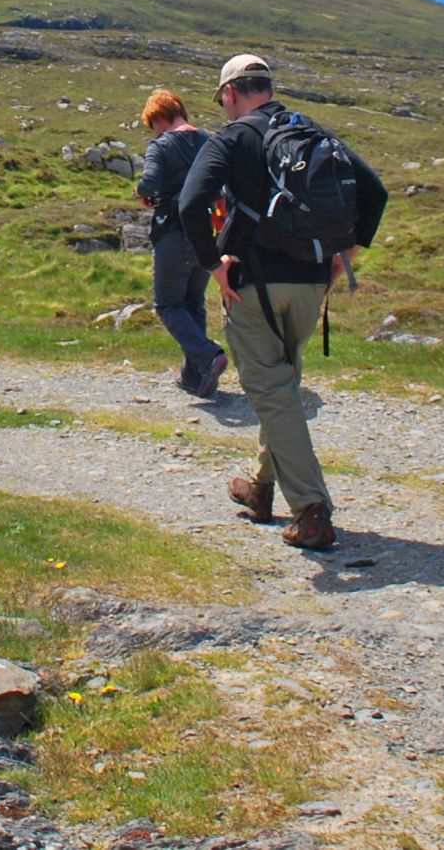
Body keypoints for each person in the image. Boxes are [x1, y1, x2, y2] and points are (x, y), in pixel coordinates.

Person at [178, 52, 388, 552]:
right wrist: (343, 257)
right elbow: (375, 193)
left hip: (254, 284)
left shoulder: (233, 137)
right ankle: (260, 487)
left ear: (231, 93)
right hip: (313, 282)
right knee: (284, 385)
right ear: (267, 88)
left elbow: (190, 204)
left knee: (272, 391)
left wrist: (215, 265)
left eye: (223, 100)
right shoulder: (311, 132)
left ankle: (312, 511)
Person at [138, 90, 228, 397]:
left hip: (174, 231)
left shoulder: (161, 145)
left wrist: (143, 194)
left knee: (167, 304)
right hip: (208, 233)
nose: (154, 130)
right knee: (193, 303)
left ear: (160, 117)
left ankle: (210, 356)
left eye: (153, 124)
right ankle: (194, 375)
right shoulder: (209, 140)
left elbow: (149, 181)